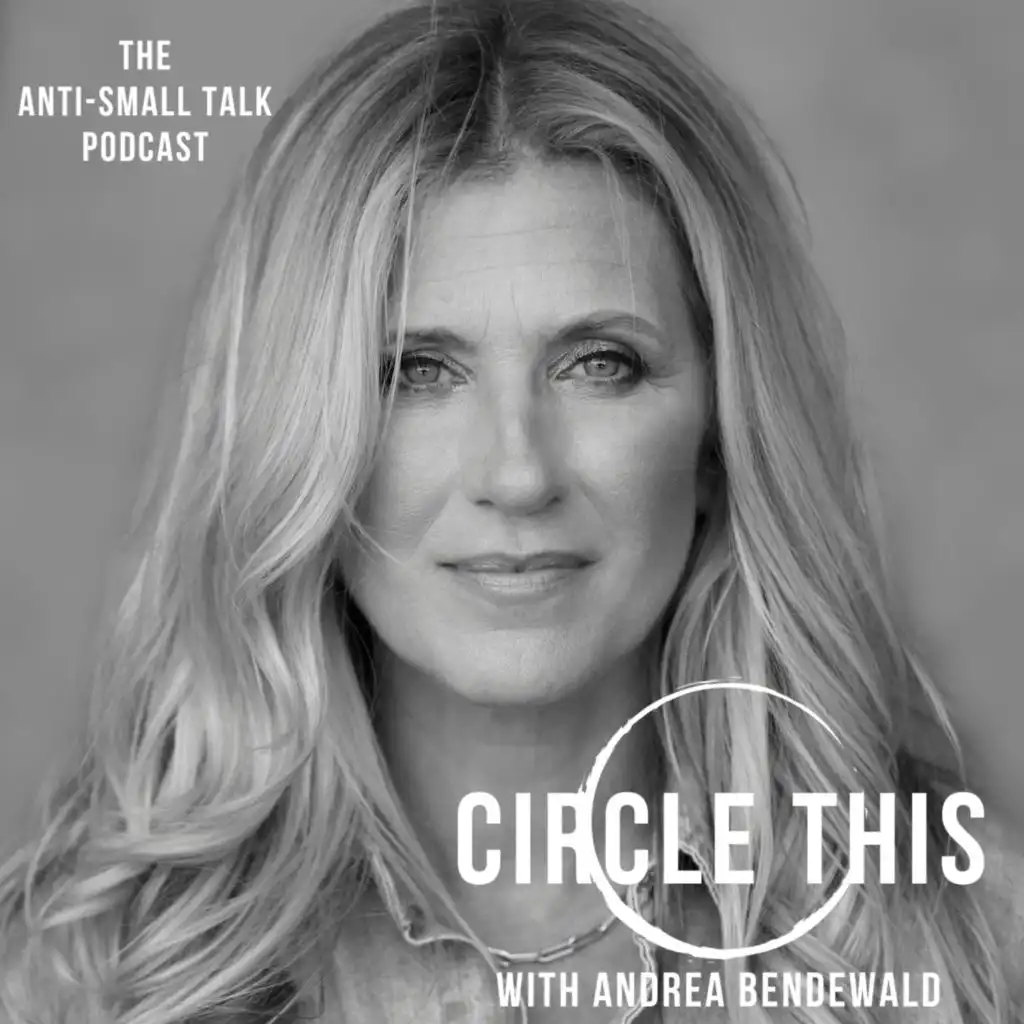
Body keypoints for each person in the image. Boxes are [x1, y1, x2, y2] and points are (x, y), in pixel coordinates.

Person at [1, 0, 1021, 1021]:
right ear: (292, 436)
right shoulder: (79, 975)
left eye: (600, 364)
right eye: (417, 372)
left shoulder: (970, 946)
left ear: (720, 435)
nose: (519, 473)